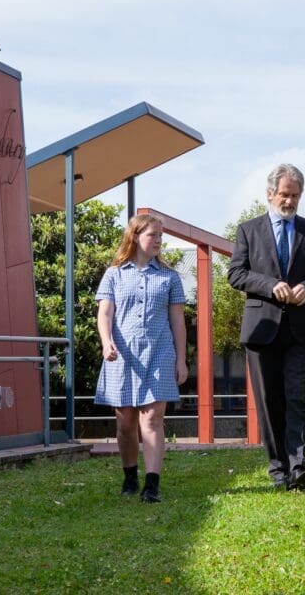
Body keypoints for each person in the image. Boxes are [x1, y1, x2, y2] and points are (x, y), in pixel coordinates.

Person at [228, 163, 305, 490]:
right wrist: (268, 284)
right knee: (270, 401)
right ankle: (279, 471)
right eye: (285, 195)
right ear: (270, 193)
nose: (289, 202)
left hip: (302, 331)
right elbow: (236, 274)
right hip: (262, 331)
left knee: (297, 396)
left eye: (296, 196)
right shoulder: (248, 230)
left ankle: (299, 467)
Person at [95, 214, 188, 503]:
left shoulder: (170, 277)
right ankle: (130, 476)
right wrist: (106, 341)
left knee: (153, 419)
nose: (159, 240)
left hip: (159, 353)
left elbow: (178, 321)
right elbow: (105, 313)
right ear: (135, 236)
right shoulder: (114, 274)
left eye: (161, 236)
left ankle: (152, 484)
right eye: (153, 235)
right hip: (121, 355)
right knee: (125, 423)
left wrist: (181, 359)